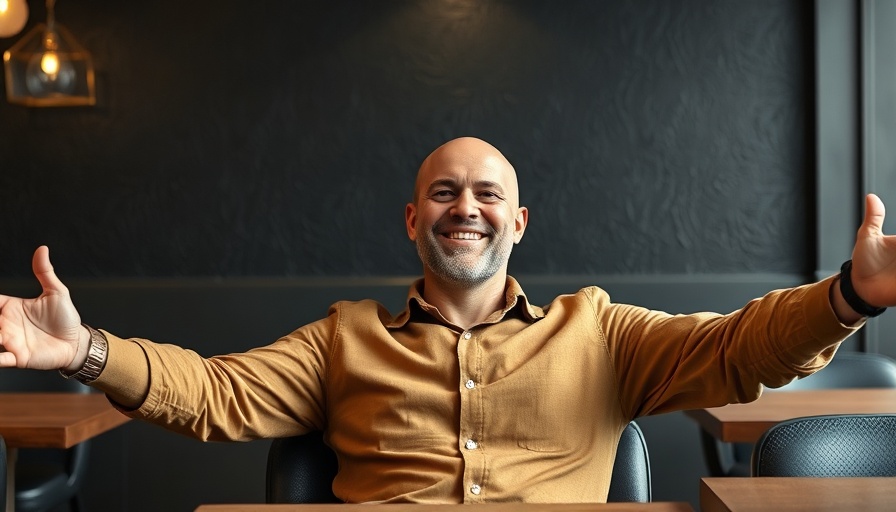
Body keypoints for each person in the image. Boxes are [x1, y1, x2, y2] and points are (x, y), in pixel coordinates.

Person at [0, 136, 893, 503]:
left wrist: (847, 295)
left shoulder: (601, 332)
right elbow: (215, 393)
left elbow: (744, 348)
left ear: (518, 221)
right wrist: (83, 350)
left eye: (487, 194)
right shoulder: (342, 338)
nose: (466, 206)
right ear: (412, 218)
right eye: (443, 191)